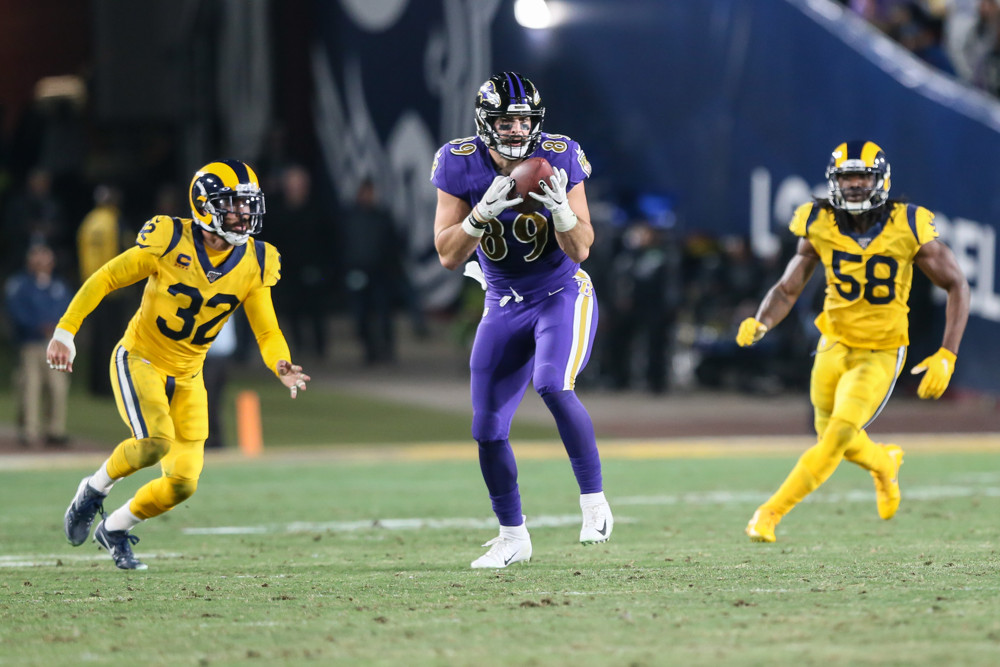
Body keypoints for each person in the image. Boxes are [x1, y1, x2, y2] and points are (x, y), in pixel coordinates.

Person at [48, 159, 311, 570]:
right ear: (205, 205)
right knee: (154, 443)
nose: (244, 215)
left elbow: (266, 330)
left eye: (248, 205)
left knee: (183, 483)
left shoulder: (256, 260)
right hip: (141, 358)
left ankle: (114, 528)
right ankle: (94, 489)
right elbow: (106, 278)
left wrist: (282, 363)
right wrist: (66, 330)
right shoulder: (170, 239)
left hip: (189, 375)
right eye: (234, 205)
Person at [736, 140, 970, 543]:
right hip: (832, 345)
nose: (856, 184)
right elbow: (789, 288)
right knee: (830, 433)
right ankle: (884, 462)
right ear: (834, 181)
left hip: (880, 350)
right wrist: (762, 321)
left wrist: (947, 353)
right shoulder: (818, 222)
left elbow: (957, 284)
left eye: (863, 176)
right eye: (848, 177)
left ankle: (770, 512)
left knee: (839, 435)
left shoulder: (908, 224)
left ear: (881, 180)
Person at [431, 71, 612, 568]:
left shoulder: (559, 154)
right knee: (487, 428)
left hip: (559, 293)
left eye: (524, 119)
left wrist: (562, 215)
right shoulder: (457, 161)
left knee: (552, 384)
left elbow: (583, 249)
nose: (516, 128)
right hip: (501, 301)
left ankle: (594, 502)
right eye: (506, 120)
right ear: (485, 122)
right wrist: (476, 218)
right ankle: (513, 536)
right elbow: (448, 255)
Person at [4, 244, 72, 447]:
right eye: (37, 257)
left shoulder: (58, 286)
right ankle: (29, 431)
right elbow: (16, 311)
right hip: (31, 343)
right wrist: (37, 326)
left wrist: (58, 328)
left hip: (56, 344)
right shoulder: (19, 284)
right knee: (30, 386)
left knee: (57, 387)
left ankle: (55, 430)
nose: (42, 261)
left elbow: (69, 308)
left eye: (45, 257)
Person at [341, 178, 402, 365]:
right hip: (357, 273)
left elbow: (393, 245)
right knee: (361, 315)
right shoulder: (350, 218)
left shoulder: (382, 217)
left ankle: (387, 351)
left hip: (380, 275)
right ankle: (369, 352)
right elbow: (342, 245)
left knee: (384, 314)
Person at [77, 184, 129, 396]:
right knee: (113, 340)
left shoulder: (88, 222)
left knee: (96, 338)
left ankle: (94, 385)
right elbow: (124, 253)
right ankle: (108, 387)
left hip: (91, 287)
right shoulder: (115, 222)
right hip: (113, 289)